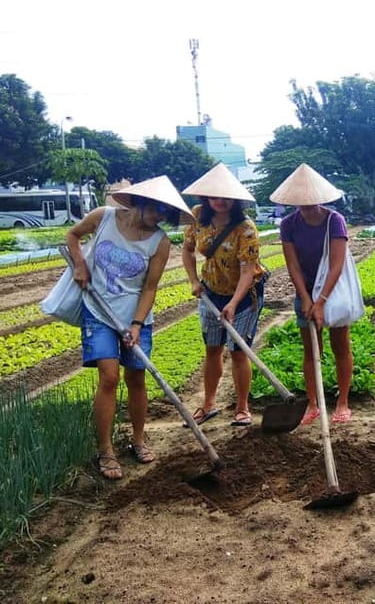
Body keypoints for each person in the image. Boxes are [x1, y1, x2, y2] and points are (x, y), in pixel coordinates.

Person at [66, 176, 193, 480]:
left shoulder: (160, 242)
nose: (160, 217)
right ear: (141, 202)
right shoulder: (104, 217)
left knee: (136, 377)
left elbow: (150, 288)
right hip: (98, 311)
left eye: (166, 214)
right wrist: (80, 264)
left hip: (135, 316)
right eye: (158, 209)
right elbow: (73, 235)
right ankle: (106, 449)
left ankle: (138, 439)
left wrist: (136, 324)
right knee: (108, 377)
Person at [182, 163, 266, 427]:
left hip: (244, 297)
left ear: (235, 199)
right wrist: (195, 281)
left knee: (239, 351)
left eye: (226, 196)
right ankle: (208, 405)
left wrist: (232, 303)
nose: (220, 201)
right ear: (206, 197)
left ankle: (242, 408)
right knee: (212, 349)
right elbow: (187, 250)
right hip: (210, 291)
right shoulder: (197, 216)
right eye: (214, 195)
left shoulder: (246, 228)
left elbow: (247, 271)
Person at [271, 163, 354, 424]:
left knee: (340, 346)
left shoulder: (334, 221)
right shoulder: (289, 224)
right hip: (305, 291)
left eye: (311, 201)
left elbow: (336, 264)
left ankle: (342, 402)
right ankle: (313, 403)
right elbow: (292, 265)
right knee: (311, 350)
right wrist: (306, 299)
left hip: (333, 292)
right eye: (300, 202)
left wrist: (322, 300)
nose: (306, 206)